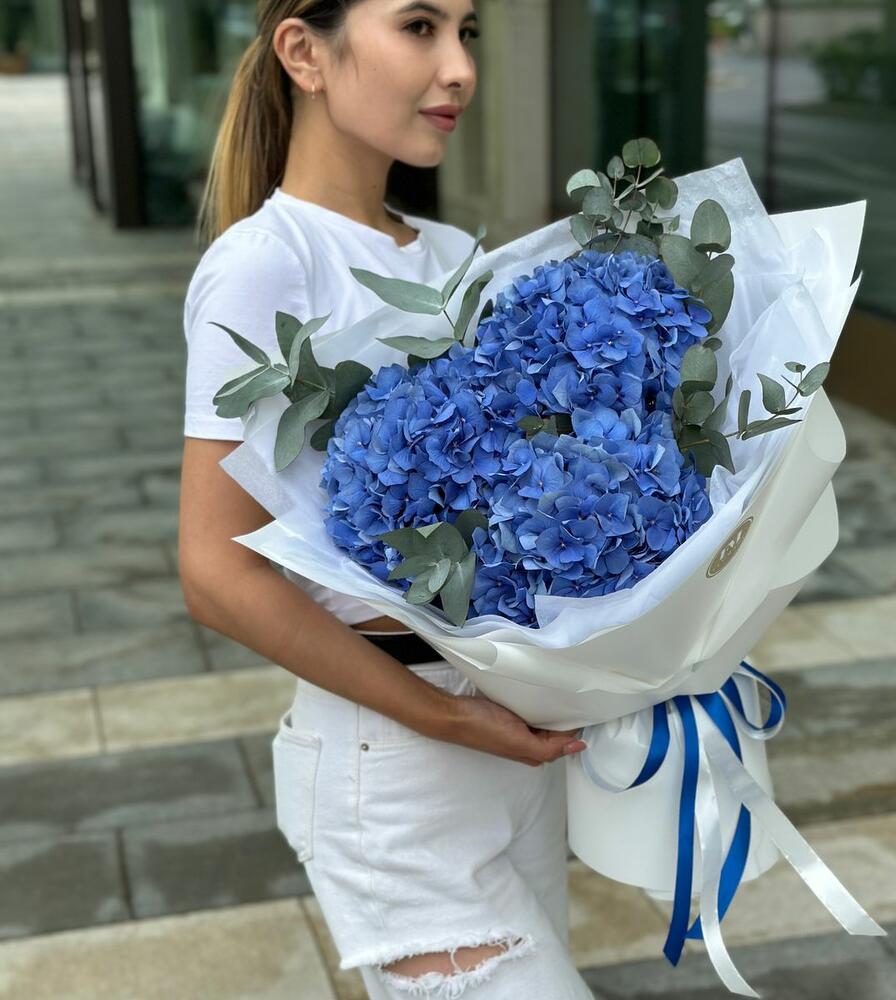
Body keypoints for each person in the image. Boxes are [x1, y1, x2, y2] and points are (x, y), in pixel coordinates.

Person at [177, 2, 594, 997]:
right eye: (418, 27)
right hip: (393, 765)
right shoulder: (266, 264)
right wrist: (443, 719)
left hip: (506, 742)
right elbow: (215, 572)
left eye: (467, 32)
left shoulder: (452, 258)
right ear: (304, 52)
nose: (459, 68)